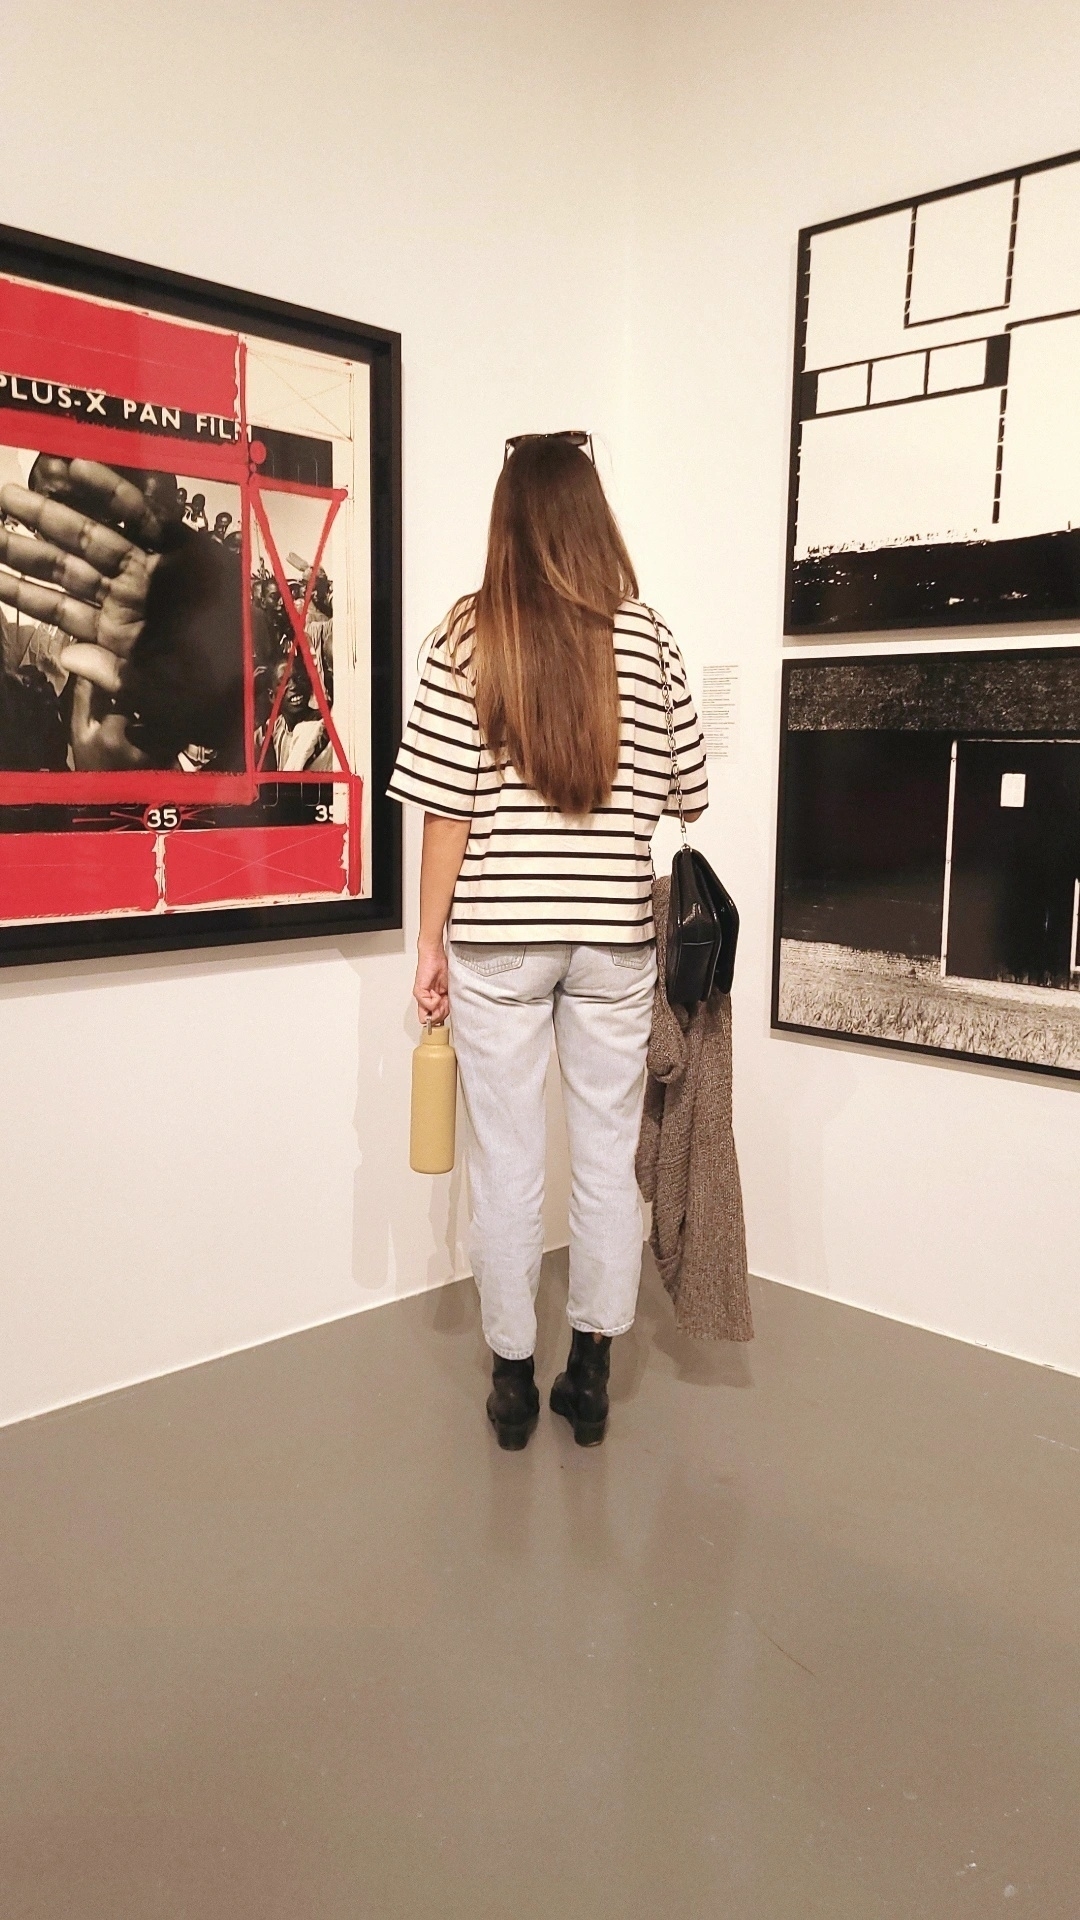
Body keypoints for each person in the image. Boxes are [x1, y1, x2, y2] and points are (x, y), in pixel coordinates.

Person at [388, 433, 707, 1450]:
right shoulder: (649, 637)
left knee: (511, 1163)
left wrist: (428, 941)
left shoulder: (468, 636)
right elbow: (691, 793)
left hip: (499, 943)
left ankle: (515, 1380)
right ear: (591, 513)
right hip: (612, 940)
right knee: (607, 1162)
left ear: (508, 519)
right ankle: (593, 1377)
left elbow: (444, 811)